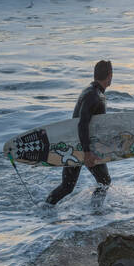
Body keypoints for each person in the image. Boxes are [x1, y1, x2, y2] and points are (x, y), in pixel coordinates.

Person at [46, 60, 114, 205]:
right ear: (109, 75)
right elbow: (82, 123)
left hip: (75, 145)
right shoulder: (93, 96)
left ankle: (45, 208)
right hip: (84, 147)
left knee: (67, 187)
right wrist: (87, 152)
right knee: (104, 181)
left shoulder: (91, 91)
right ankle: (96, 212)